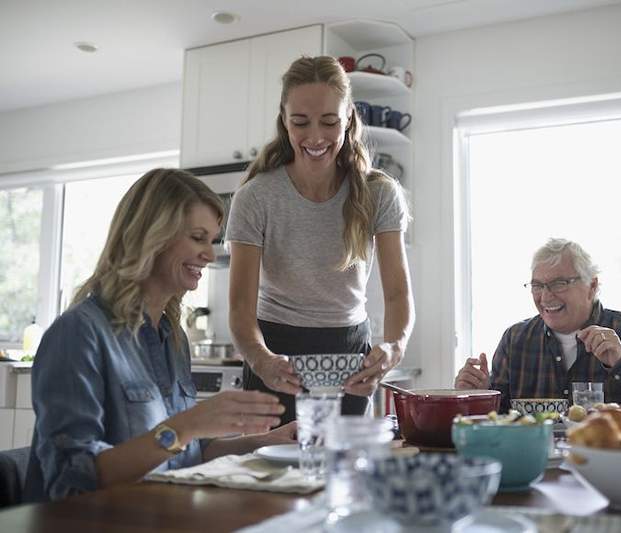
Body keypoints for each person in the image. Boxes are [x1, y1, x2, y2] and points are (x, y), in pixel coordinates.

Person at [24, 169, 295, 502]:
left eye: (211, 240)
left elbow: (184, 453)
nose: (210, 255)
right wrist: (186, 426)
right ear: (151, 236)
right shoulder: (78, 334)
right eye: (198, 237)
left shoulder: (172, 337)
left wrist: (263, 442)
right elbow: (74, 480)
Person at [226, 56, 415, 424]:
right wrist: (259, 358)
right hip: (273, 350)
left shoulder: (379, 192)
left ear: (349, 119)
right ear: (284, 120)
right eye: (300, 122)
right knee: (268, 474)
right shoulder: (256, 196)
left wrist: (394, 346)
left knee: (341, 470)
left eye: (329, 122)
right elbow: (240, 308)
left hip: (348, 353)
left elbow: (397, 294)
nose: (315, 137)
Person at [455, 238, 621, 428]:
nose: (545, 296)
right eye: (538, 285)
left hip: (613, 479)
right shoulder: (516, 340)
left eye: (559, 283)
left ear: (592, 286)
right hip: (538, 478)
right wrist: (476, 396)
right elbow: (498, 423)